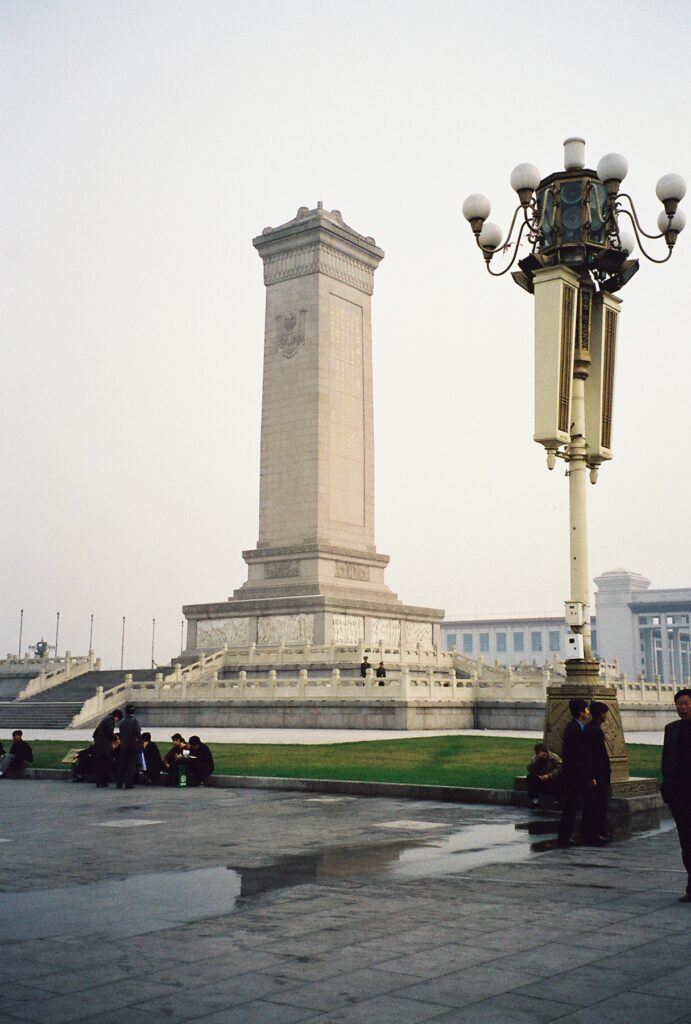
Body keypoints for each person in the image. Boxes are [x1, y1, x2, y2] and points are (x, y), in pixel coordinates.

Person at [661, 687, 691, 903]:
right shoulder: (671, 729)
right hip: (679, 796)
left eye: (687, 703)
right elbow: (666, 760)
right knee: (686, 842)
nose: (683, 707)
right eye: (680, 704)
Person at [557, 698, 593, 846]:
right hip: (574, 775)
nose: (588, 712)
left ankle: (570, 834)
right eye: (586, 709)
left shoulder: (578, 727)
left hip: (576, 774)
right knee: (571, 807)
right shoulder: (574, 729)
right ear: (580, 712)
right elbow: (577, 755)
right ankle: (565, 836)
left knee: (574, 806)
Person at [581, 701, 611, 845]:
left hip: (598, 774)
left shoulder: (591, 728)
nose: (607, 716)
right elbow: (590, 755)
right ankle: (594, 833)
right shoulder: (594, 730)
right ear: (600, 714)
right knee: (596, 805)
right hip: (597, 775)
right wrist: (591, 775)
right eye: (605, 713)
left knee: (597, 804)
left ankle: (599, 830)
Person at [92, 708, 123, 787]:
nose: (117, 722)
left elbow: (96, 732)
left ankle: (99, 781)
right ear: (116, 717)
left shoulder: (106, 718)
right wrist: (116, 739)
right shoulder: (110, 720)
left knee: (101, 763)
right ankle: (102, 781)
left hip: (100, 744)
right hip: (104, 746)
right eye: (118, 719)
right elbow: (109, 732)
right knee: (105, 763)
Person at [116, 704, 141, 790]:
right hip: (132, 745)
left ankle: (119, 783)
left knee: (122, 764)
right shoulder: (135, 721)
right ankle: (128, 783)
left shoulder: (122, 722)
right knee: (131, 765)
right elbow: (138, 733)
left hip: (123, 745)